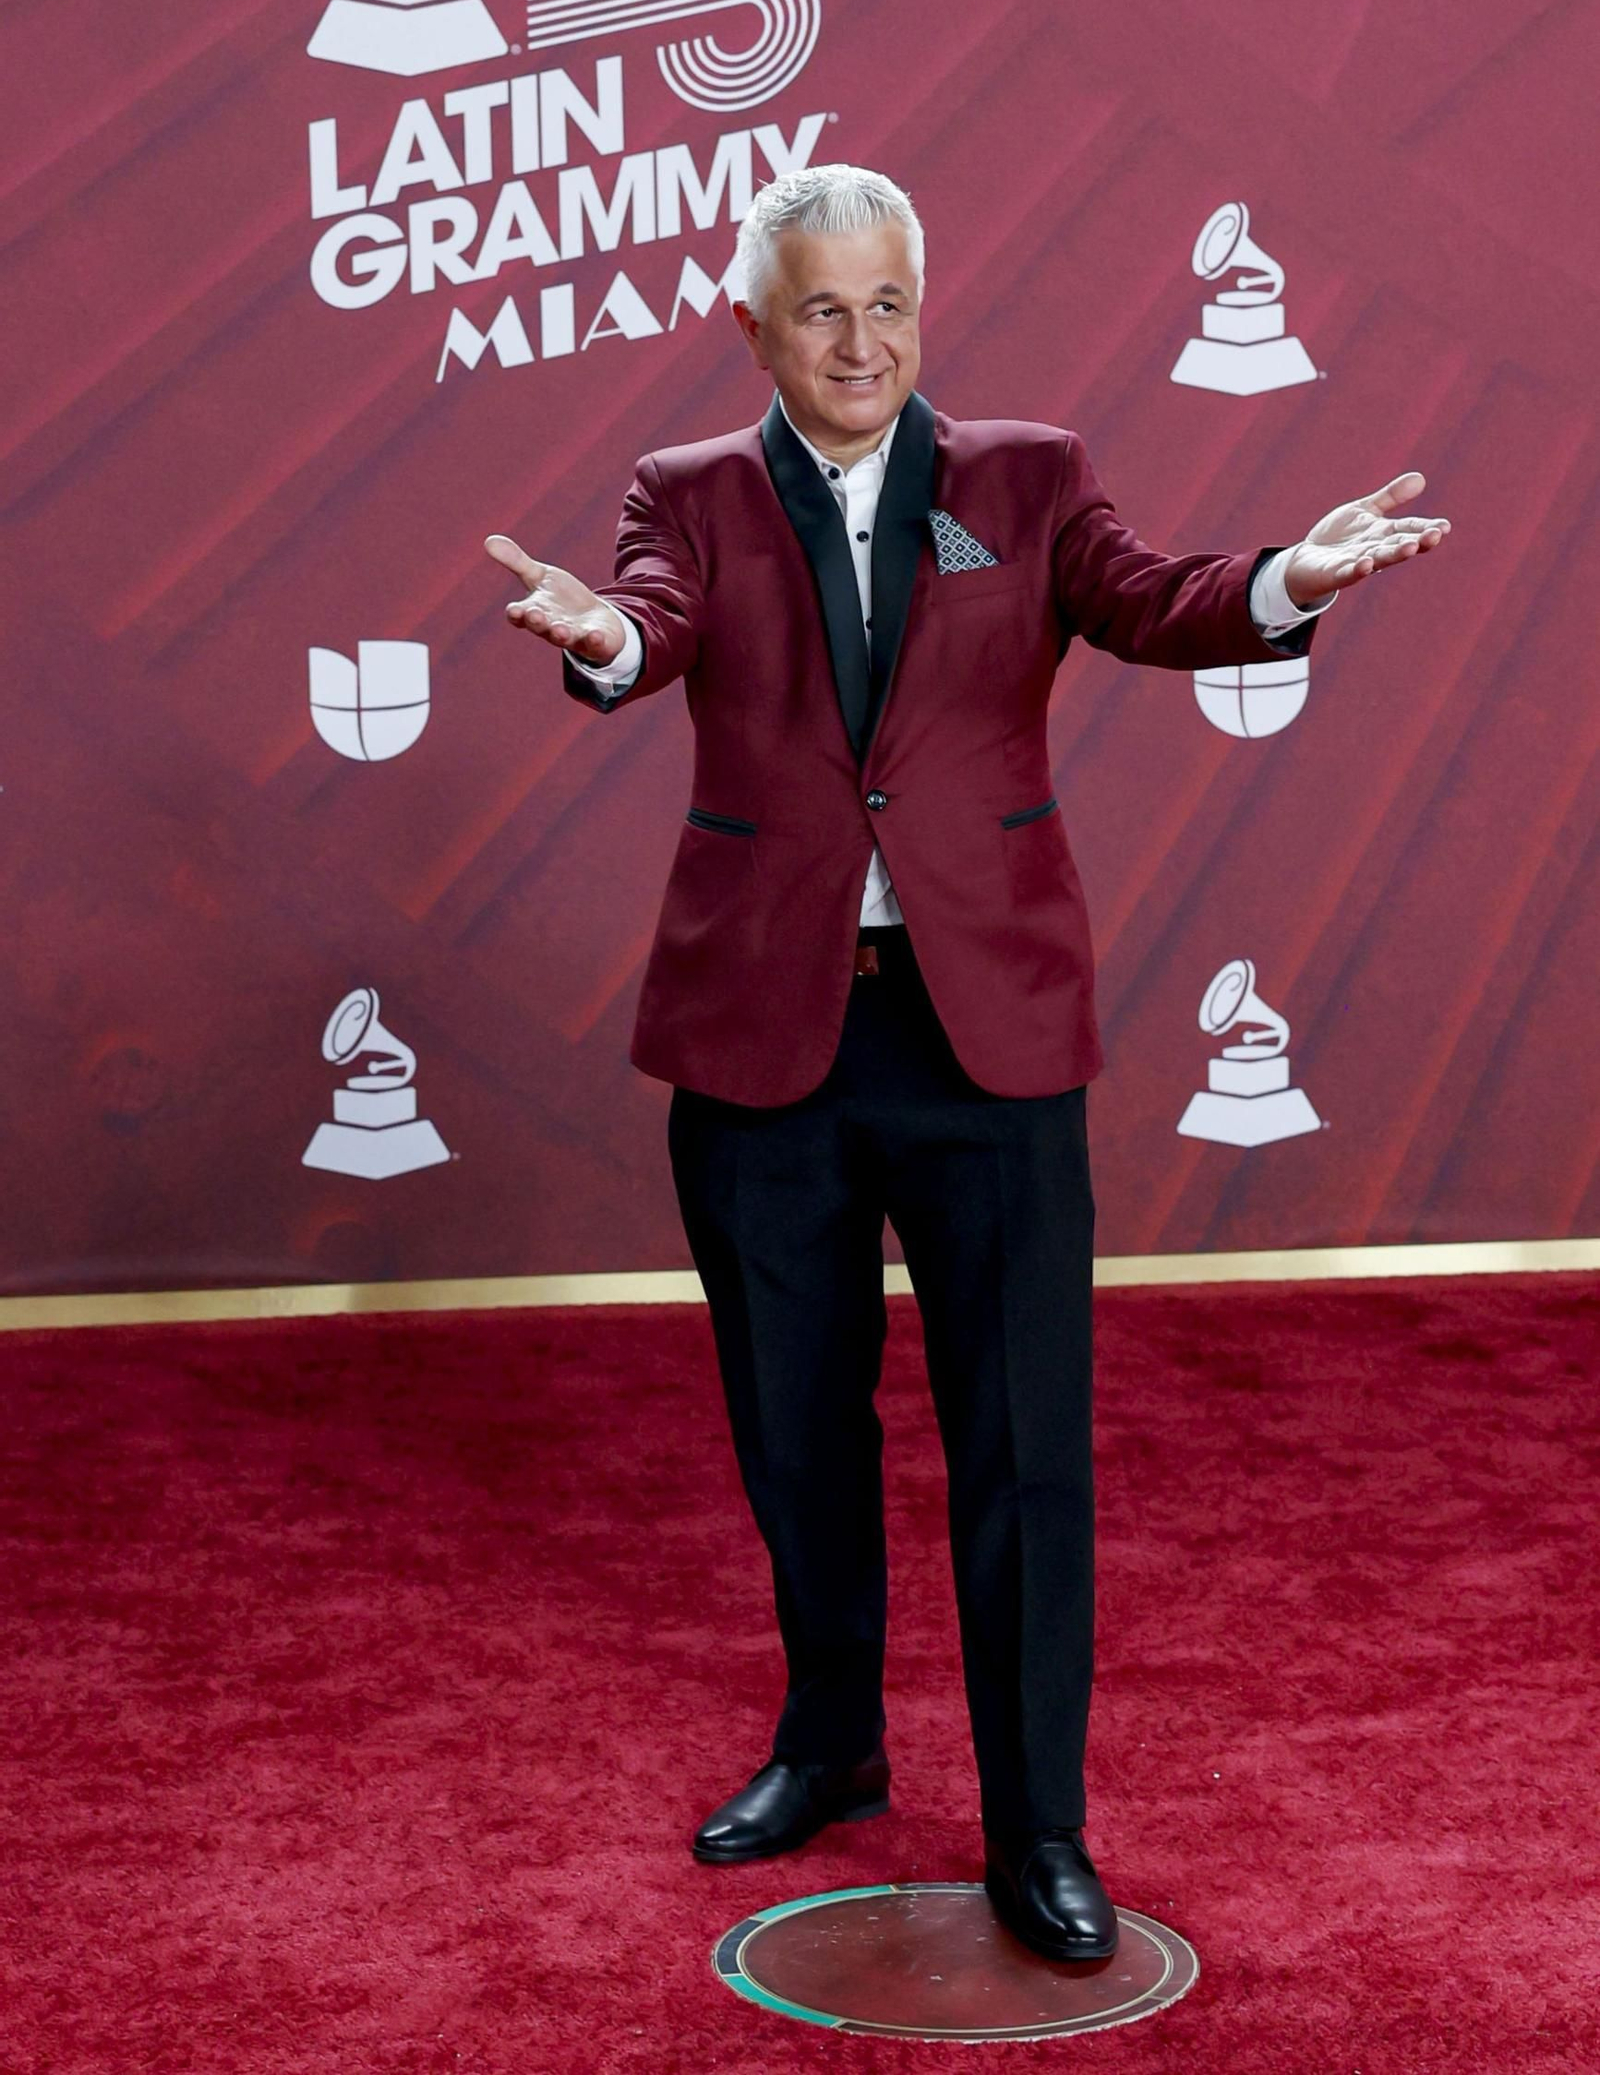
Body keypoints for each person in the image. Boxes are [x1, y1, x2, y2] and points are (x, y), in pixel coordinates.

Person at [484, 165, 1449, 1963]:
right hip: (765, 1032)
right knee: (794, 1425)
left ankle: (1038, 1828)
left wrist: (1289, 579)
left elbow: (1155, 599)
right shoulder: (686, 492)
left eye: (890, 305)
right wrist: (603, 642)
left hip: (983, 1034)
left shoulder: (1030, 475)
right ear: (755, 328)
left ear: (921, 309)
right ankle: (831, 1744)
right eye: (823, 310)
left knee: (1023, 1444)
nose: (863, 343)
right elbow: (648, 619)